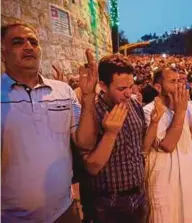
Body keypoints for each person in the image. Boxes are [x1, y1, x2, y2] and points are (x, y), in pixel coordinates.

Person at [1, 22, 98, 222]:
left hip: (64, 211)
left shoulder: (63, 91)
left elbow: (85, 143)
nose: (28, 47)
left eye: (33, 42)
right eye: (18, 42)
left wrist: (88, 98)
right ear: (3, 53)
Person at [81, 54, 147, 223]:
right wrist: (110, 133)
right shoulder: (92, 113)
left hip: (138, 196)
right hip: (107, 203)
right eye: (121, 89)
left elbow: (141, 147)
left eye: (131, 86)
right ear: (103, 85)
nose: (128, 93)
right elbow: (91, 167)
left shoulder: (135, 105)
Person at [143, 67, 192, 223]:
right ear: (158, 87)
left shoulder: (188, 107)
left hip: (187, 181)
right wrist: (180, 111)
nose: (178, 85)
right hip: (163, 183)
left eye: (179, 81)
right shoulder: (150, 111)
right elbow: (167, 145)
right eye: (172, 82)